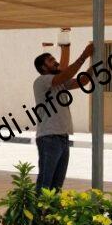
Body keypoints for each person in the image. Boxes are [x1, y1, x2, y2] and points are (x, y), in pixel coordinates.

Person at [32, 38, 94, 193]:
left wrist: (95, 62)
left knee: (57, 184)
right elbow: (66, 72)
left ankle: (51, 215)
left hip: (62, 137)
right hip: (49, 138)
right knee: (45, 183)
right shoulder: (42, 81)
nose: (56, 62)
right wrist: (83, 56)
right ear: (43, 67)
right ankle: (37, 215)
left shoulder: (59, 82)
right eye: (51, 61)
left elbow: (83, 81)